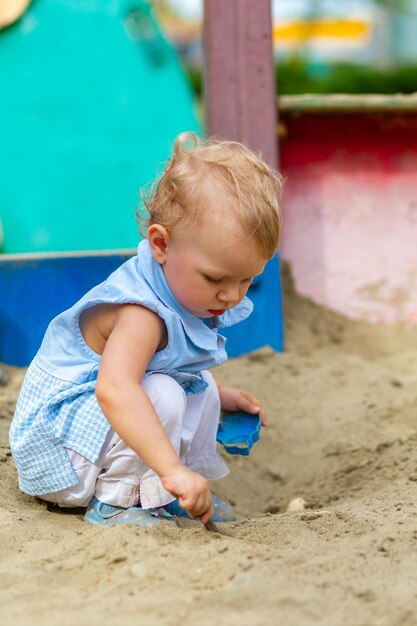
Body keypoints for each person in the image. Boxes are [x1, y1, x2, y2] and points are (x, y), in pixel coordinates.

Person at [10, 133, 283, 528]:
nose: (230, 294)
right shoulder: (141, 312)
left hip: (87, 434)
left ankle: (164, 494)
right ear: (161, 244)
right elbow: (115, 389)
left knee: (200, 384)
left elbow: (165, 364)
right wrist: (171, 467)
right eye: (216, 277)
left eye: (246, 280)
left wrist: (219, 396)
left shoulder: (180, 288)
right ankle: (122, 501)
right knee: (163, 394)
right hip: (57, 453)